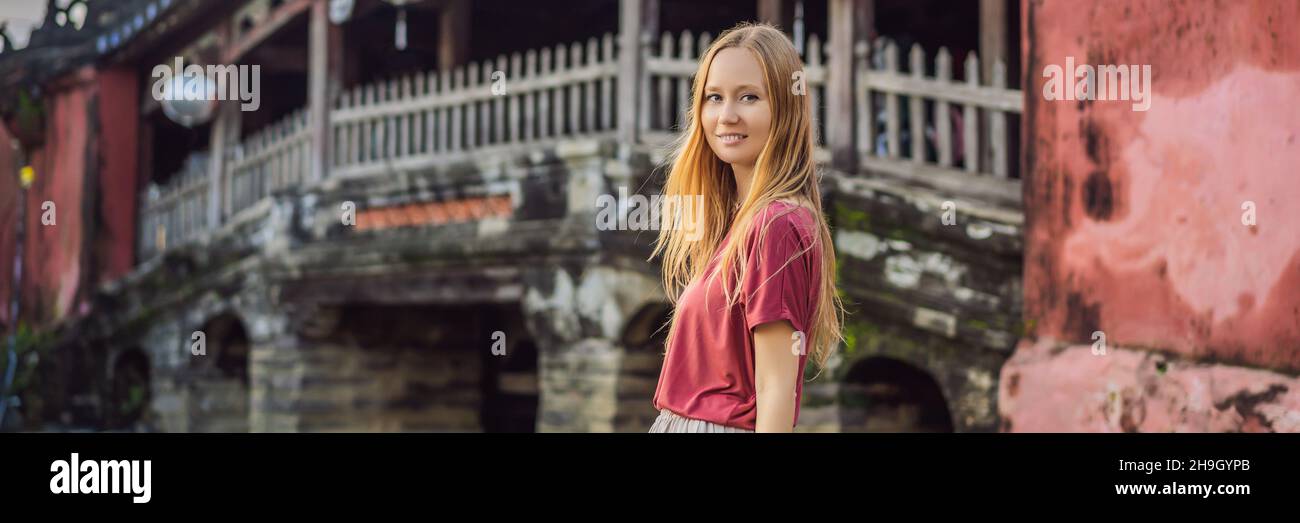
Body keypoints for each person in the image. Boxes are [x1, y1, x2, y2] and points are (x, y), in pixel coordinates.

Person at [649, 22, 843, 433]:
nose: (727, 115)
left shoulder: (777, 225)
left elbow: (776, 388)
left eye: (749, 97)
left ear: (787, 109)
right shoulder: (737, 221)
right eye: (714, 97)